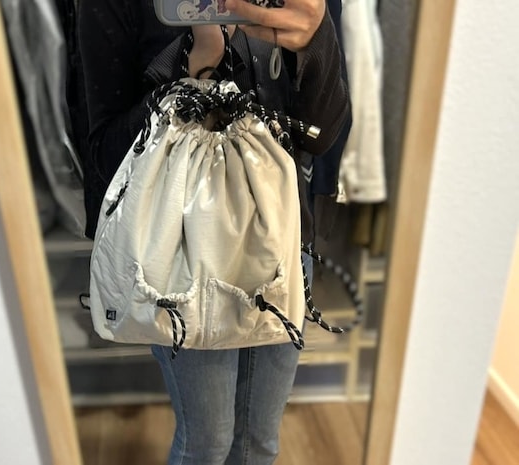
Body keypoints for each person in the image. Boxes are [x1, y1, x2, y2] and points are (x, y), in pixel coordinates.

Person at [78, 0, 350, 463]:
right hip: (182, 254)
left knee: (260, 440)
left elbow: (320, 136)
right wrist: (191, 67)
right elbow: (105, 156)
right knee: (207, 442)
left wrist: (317, 39)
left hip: (281, 239)